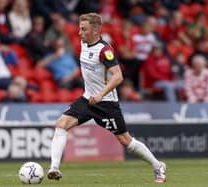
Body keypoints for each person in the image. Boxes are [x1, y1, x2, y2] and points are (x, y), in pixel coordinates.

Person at [47, 13, 166, 183]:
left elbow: (118, 76)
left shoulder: (105, 50)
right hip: (87, 99)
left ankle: (157, 166)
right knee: (61, 125)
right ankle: (54, 168)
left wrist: (101, 94)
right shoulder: (83, 43)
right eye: (80, 28)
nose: (79, 33)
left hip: (106, 103)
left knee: (125, 140)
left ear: (95, 30)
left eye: (84, 29)